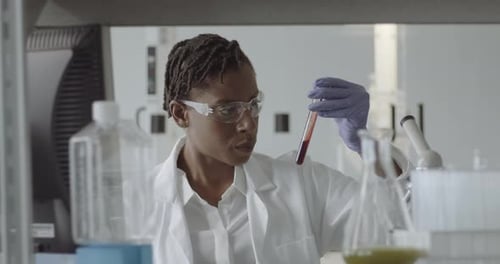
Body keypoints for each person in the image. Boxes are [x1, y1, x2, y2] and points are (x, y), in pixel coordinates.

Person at [144, 33, 399, 264]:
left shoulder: (301, 185)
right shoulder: (141, 203)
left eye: (253, 105)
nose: (248, 123)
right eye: (227, 110)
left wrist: (369, 148)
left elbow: (398, 227)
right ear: (180, 114)